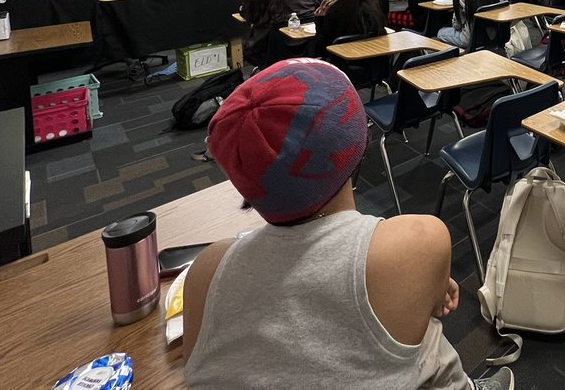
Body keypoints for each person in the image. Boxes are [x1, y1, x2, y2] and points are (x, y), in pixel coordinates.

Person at [183, 59, 513, 390]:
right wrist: (430, 280)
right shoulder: (420, 239)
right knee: (425, 341)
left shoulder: (206, 271)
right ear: (356, 147)